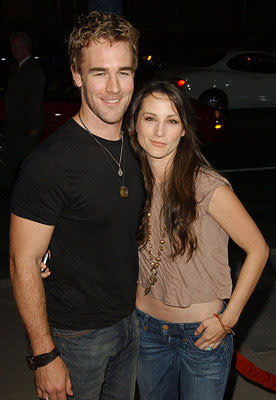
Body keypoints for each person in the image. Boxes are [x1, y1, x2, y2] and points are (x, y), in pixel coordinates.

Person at [9, 11, 144, 400]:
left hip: (130, 325)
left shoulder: (136, 147)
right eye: (99, 72)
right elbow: (22, 263)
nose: (114, 87)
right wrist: (44, 355)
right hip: (77, 338)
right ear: (76, 75)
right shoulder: (49, 163)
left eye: (125, 71)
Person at [125, 80, 269, 400]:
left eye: (171, 121)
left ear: (184, 130)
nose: (160, 131)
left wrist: (228, 320)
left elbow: (257, 249)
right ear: (134, 124)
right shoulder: (132, 182)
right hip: (145, 330)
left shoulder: (206, 186)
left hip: (202, 337)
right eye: (150, 118)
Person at [4, 31, 46, 186]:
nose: (12, 50)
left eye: (15, 46)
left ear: (24, 48)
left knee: (24, 171)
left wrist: (34, 129)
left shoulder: (32, 70)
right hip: (16, 129)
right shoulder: (18, 68)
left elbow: (35, 101)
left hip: (24, 131)